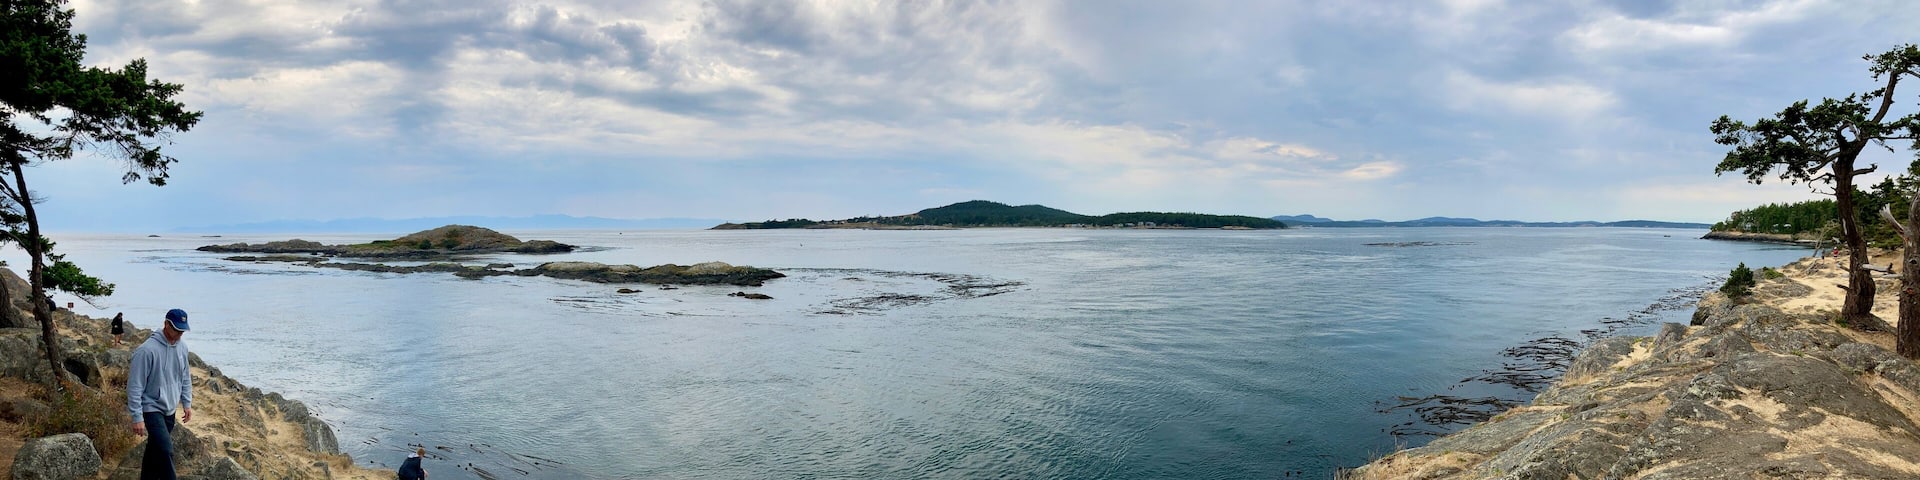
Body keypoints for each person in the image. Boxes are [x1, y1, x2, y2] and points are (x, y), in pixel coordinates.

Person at [127, 308, 193, 480]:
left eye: (182, 330)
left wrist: (187, 403)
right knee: (165, 450)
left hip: (170, 408)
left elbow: (185, 377)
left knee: (154, 449)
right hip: (151, 407)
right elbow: (135, 386)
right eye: (176, 329)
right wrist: (137, 417)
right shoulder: (146, 351)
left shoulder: (183, 348)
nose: (179, 334)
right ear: (166, 324)